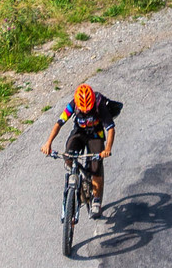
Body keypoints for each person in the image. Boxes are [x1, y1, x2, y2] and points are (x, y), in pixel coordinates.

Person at [45, 83, 121, 215]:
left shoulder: (99, 105)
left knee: (96, 167)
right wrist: (48, 143)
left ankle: (96, 199)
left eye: (88, 108)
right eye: (83, 108)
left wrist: (107, 148)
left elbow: (110, 129)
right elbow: (59, 123)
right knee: (68, 155)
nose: (85, 111)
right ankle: (76, 173)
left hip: (96, 135)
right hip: (79, 133)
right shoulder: (73, 105)